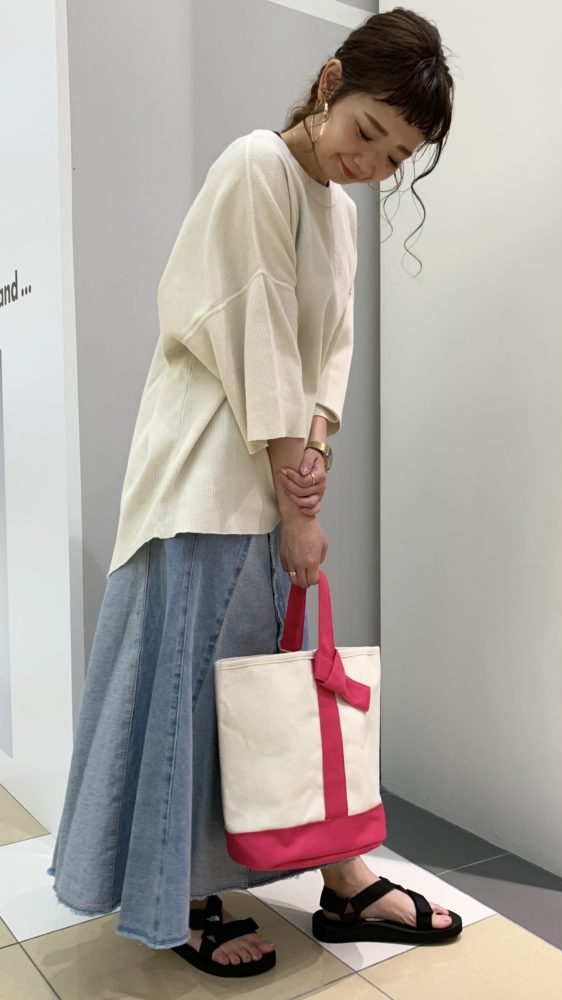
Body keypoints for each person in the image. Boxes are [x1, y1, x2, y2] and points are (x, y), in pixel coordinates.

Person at [49, 7, 458, 980]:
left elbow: (328, 353)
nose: (371, 164)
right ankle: (187, 897)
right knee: (197, 690)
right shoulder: (255, 166)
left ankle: (339, 874)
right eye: (367, 132)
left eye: (395, 157)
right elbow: (259, 337)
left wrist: (311, 451)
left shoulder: (337, 211)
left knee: (261, 692)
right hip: (203, 482)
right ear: (329, 82)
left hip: (266, 484)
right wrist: (301, 503)